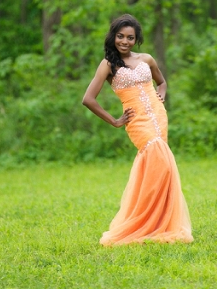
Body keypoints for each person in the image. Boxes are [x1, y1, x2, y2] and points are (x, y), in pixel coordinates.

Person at [82, 14, 193, 246]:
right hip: (137, 121)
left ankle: (162, 222)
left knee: (162, 167)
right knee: (159, 160)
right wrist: (115, 121)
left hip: (158, 116)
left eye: (130, 37)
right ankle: (144, 221)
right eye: (120, 36)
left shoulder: (147, 59)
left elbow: (162, 82)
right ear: (113, 37)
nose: (124, 41)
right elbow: (88, 99)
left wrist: (162, 93)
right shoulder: (108, 65)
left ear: (136, 39)